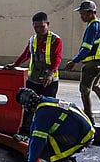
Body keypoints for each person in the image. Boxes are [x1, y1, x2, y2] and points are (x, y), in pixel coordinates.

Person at [14, 87, 95, 162]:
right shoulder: (46, 101)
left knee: (47, 153)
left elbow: (37, 142)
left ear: (26, 105)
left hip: (81, 137)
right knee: (49, 139)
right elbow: (35, 132)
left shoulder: (42, 114)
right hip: (86, 130)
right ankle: (69, 158)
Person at [4, 11, 62, 140]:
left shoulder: (55, 40)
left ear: (48, 24)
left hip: (49, 82)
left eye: (42, 26)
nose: (39, 30)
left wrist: (50, 74)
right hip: (33, 80)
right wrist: (15, 64)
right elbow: (26, 54)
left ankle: (46, 136)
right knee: (28, 108)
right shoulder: (33, 40)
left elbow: (57, 58)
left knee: (47, 109)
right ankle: (24, 133)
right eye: (36, 27)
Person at [65, 0, 100, 124]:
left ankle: (88, 117)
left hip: (93, 63)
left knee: (84, 89)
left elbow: (86, 48)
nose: (81, 16)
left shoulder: (92, 27)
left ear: (91, 13)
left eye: (83, 13)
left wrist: (74, 61)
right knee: (95, 85)